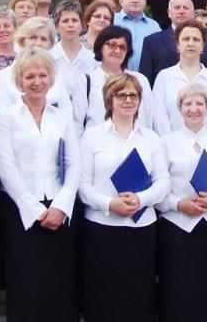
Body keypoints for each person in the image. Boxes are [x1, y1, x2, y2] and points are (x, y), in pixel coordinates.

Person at [0, 48, 81, 322]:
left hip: (59, 210)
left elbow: (74, 163)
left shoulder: (62, 117)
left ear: (51, 79)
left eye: (42, 75)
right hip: (21, 211)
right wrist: (33, 209)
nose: (37, 82)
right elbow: (6, 166)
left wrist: (62, 206)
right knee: (26, 283)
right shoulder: (6, 116)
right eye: (30, 76)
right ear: (19, 80)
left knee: (60, 283)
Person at [79, 72, 170, 322]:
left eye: (133, 95)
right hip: (102, 227)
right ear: (110, 100)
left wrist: (141, 199)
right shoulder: (91, 137)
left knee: (138, 294)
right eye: (121, 95)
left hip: (142, 228)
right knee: (104, 293)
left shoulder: (151, 138)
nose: (128, 100)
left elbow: (163, 181)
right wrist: (110, 204)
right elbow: (83, 185)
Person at [157, 83, 207, 322]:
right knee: (180, 292)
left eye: (200, 104)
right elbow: (160, 189)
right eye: (188, 104)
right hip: (178, 228)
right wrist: (178, 204)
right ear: (179, 108)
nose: (194, 109)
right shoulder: (165, 142)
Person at [152, 20, 207, 136]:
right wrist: (174, 143)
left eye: (196, 39)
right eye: (185, 39)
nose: (191, 43)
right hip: (172, 145)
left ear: (203, 45)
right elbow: (159, 119)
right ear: (177, 44)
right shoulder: (164, 77)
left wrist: (204, 143)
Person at [71, 25, 154, 133]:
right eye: (112, 45)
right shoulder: (86, 81)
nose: (117, 50)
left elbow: (148, 119)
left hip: (135, 141)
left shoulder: (140, 80)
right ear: (101, 46)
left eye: (122, 47)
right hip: (96, 142)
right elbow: (77, 123)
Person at [139, 0, 207, 86]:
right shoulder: (152, 42)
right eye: (177, 7)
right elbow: (145, 82)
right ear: (169, 13)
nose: (181, 11)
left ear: (193, 13)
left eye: (185, 8)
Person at [0, 17, 71, 112]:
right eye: (33, 38)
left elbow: (67, 112)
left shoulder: (55, 74)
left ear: (50, 44)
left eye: (43, 39)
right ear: (22, 40)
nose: (38, 43)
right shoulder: (3, 76)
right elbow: (2, 113)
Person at [113, 0, 161, 72]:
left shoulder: (154, 26)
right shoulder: (111, 21)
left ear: (145, 1)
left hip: (148, 76)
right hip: (116, 75)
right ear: (121, 1)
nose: (135, 0)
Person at [50, 0, 96, 88]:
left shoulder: (92, 59)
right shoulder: (49, 56)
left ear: (81, 25)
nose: (70, 25)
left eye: (74, 20)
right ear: (56, 26)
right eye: (65, 21)